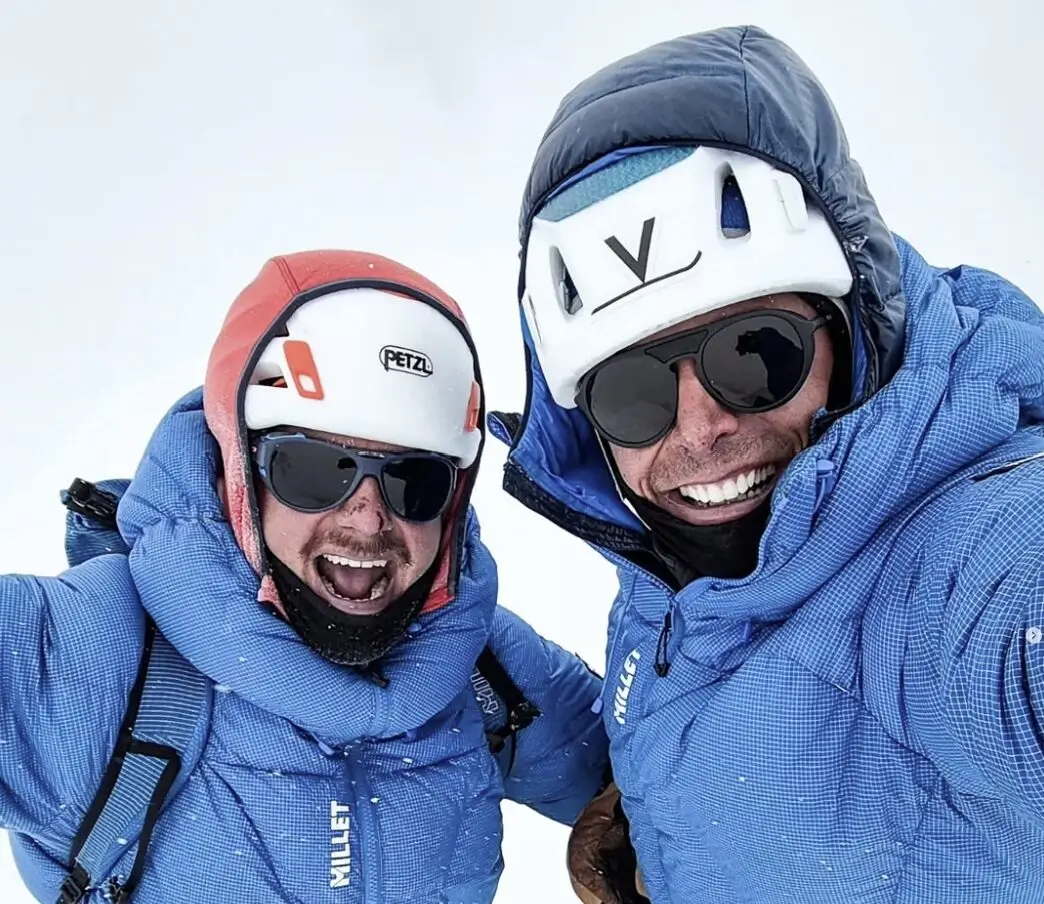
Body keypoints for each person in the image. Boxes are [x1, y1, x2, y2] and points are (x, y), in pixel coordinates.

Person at [490, 23, 1044, 904]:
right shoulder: (675, 575)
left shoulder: (973, 560)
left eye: (754, 354)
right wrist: (669, 822)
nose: (701, 429)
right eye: (633, 393)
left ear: (853, 329)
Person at [0, 249, 609, 904]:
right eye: (316, 471)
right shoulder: (90, 663)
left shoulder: (474, 664)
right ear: (240, 473)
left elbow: (682, 763)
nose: (369, 518)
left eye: (414, 481)